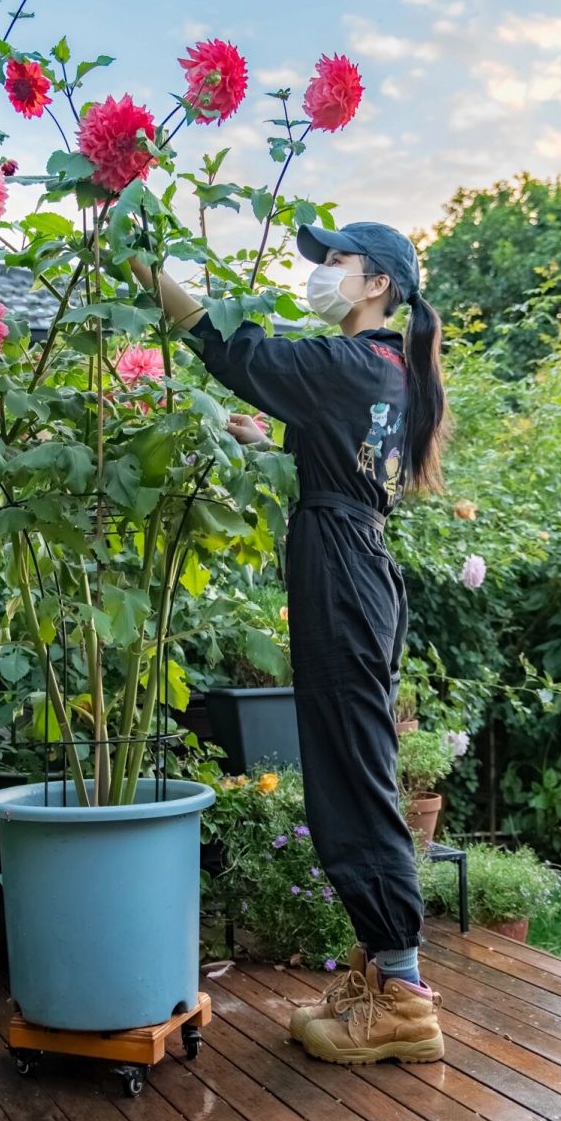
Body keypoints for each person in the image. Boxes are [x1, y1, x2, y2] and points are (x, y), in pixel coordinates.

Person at [130, 221, 448, 1066]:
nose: (323, 274)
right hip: (358, 565)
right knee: (356, 762)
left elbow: (236, 351)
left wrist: (149, 273)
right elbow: (346, 457)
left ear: (377, 282)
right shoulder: (388, 372)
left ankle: (405, 997)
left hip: (341, 572)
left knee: (351, 773)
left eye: (336, 261)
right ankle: (379, 973)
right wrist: (269, 441)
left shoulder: (350, 363)